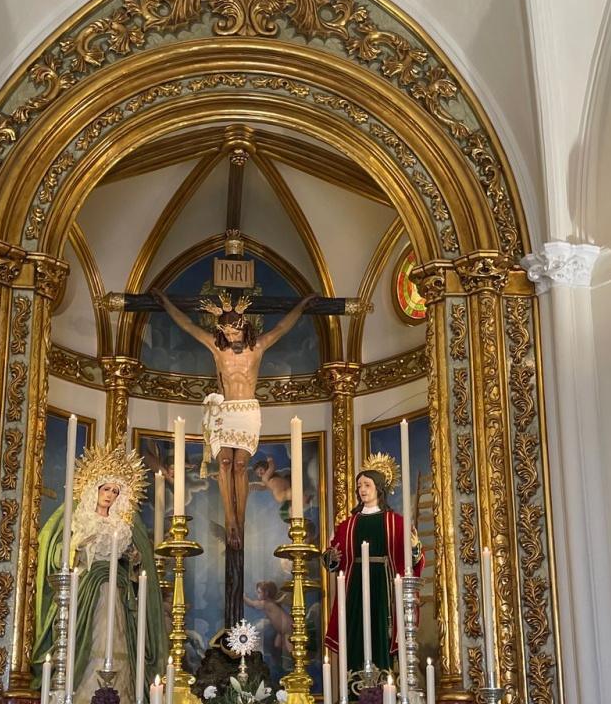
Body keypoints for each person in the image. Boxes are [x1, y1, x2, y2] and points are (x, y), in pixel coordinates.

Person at [154, 289, 313, 551]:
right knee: (225, 462)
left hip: (248, 411)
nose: (231, 338)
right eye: (227, 333)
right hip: (225, 410)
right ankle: (230, 520)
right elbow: (188, 325)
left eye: (235, 333)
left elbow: (283, 326)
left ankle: (240, 520)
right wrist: (167, 303)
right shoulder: (218, 349)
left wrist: (303, 304)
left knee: (240, 466)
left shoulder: (258, 347)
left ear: (245, 328)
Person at [33, 443, 167, 704]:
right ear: (94, 489)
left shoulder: (124, 525)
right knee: (87, 639)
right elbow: (58, 552)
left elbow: (134, 563)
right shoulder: (78, 519)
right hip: (88, 590)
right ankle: (80, 703)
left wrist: (133, 557)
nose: (109, 495)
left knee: (118, 638)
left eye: (115, 492)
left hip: (116, 591)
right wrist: (77, 546)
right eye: (106, 489)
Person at [324, 459, 423, 677]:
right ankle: (352, 687)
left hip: (384, 587)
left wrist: (414, 548)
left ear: (378, 488)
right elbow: (331, 558)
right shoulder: (348, 524)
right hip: (355, 587)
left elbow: (413, 559)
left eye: (367, 485)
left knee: (380, 631)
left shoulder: (395, 522)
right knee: (355, 631)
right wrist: (331, 556)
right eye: (359, 486)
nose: (362, 490)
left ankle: (384, 683)